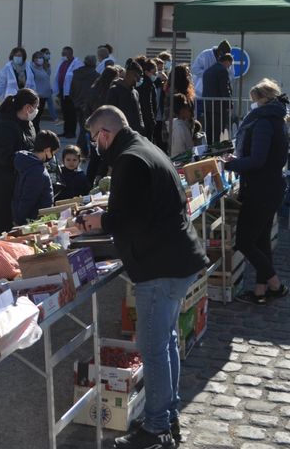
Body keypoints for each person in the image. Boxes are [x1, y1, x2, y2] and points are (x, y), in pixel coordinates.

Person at [79, 106, 208, 449]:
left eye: (94, 139)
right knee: (163, 345)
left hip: (160, 266)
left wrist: (98, 222)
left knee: (153, 349)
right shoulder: (146, 148)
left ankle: (155, 430)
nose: (95, 145)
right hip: (174, 259)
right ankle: (167, 418)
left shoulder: (130, 160)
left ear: (104, 134)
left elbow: (127, 218)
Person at [224, 79, 289, 305]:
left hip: (261, 189)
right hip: (269, 187)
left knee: (244, 241)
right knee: (261, 241)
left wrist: (230, 164)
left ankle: (275, 284)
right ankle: (261, 292)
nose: (252, 105)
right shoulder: (276, 119)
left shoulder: (263, 122)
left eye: (254, 101)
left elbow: (257, 160)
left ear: (263, 99)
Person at [0, 89, 38, 237]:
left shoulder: (28, 124)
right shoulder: (5, 127)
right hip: (4, 187)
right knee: (0, 228)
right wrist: (32, 158)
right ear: (28, 108)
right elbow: (5, 157)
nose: (36, 111)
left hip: (20, 183)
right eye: (35, 107)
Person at [12, 130, 60, 225]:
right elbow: (28, 199)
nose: (52, 157)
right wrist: (19, 220)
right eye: (53, 153)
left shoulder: (26, 161)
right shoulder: (37, 171)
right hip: (35, 220)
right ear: (47, 150)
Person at [202, 53, 234, 144]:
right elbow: (225, 88)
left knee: (209, 129)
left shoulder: (208, 71)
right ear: (227, 61)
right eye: (230, 65)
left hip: (208, 105)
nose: (229, 67)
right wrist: (229, 104)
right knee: (219, 129)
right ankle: (216, 149)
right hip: (219, 106)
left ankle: (210, 147)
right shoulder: (222, 70)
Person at [70, 55, 99, 154]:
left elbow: (72, 90)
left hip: (77, 104)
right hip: (89, 106)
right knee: (85, 129)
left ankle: (83, 150)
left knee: (83, 128)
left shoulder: (76, 74)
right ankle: (80, 151)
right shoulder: (96, 76)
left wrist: (75, 101)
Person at [107, 63, 145, 135]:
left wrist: (141, 127)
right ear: (131, 74)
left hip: (135, 133)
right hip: (121, 134)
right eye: (139, 76)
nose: (140, 79)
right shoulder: (114, 90)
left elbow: (139, 112)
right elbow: (110, 113)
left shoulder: (135, 92)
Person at [54, 46, 83, 138]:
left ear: (70, 54)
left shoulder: (77, 64)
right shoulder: (62, 63)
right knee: (65, 113)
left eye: (64, 53)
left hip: (71, 93)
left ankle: (71, 132)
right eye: (62, 53)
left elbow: (78, 80)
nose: (62, 55)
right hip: (62, 92)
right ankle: (66, 131)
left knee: (72, 114)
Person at [30, 50, 53, 131]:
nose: (40, 59)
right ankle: (34, 131)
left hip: (44, 96)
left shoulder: (43, 68)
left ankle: (36, 130)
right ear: (34, 59)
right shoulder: (31, 68)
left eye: (41, 58)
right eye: (38, 58)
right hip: (37, 96)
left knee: (38, 116)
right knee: (35, 116)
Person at [137, 58, 159, 142]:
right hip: (146, 121)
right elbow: (148, 104)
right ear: (146, 72)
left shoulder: (145, 83)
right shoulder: (147, 84)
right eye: (154, 72)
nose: (155, 74)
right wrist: (152, 121)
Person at [170, 94, 196, 158]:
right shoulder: (180, 128)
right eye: (188, 109)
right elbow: (181, 152)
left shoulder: (179, 125)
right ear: (182, 111)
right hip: (182, 162)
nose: (191, 113)